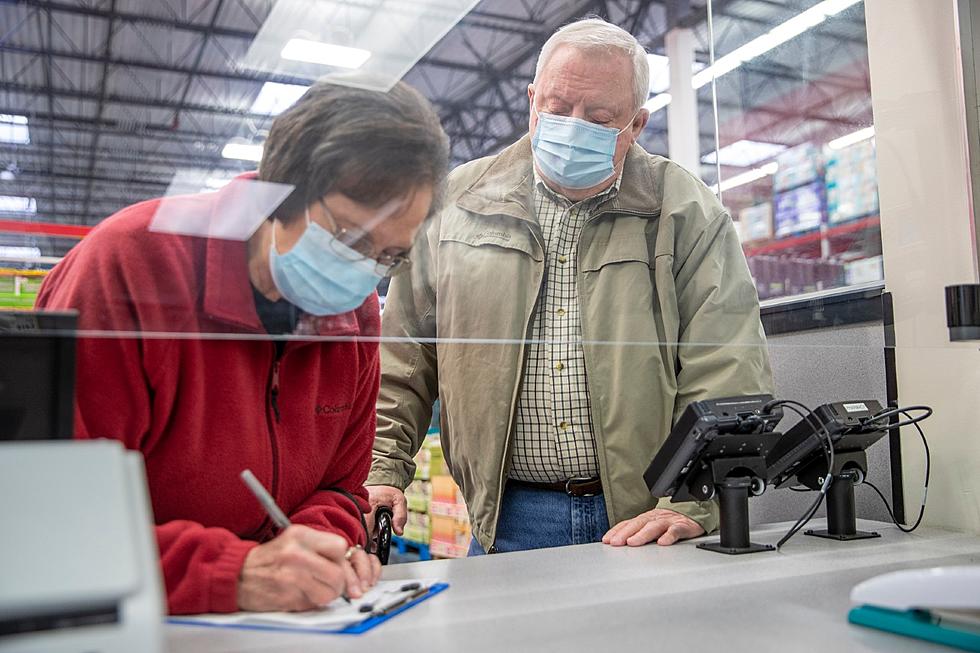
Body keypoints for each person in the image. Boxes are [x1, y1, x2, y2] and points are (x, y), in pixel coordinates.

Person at [35, 80, 449, 613]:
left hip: (275, 622)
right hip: (126, 618)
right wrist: (232, 572)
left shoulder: (355, 314)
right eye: (349, 238)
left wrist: (314, 549)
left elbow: (344, 488)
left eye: (388, 257)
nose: (363, 271)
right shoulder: (128, 269)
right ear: (281, 192)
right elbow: (49, 520)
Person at [366, 18, 773, 554]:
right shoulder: (455, 205)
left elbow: (725, 362)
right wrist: (383, 467)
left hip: (648, 519)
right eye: (556, 109)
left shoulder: (685, 211)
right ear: (532, 99)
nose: (573, 126)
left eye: (600, 117)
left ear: (637, 124)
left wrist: (693, 504)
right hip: (507, 517)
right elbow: (404, 356)